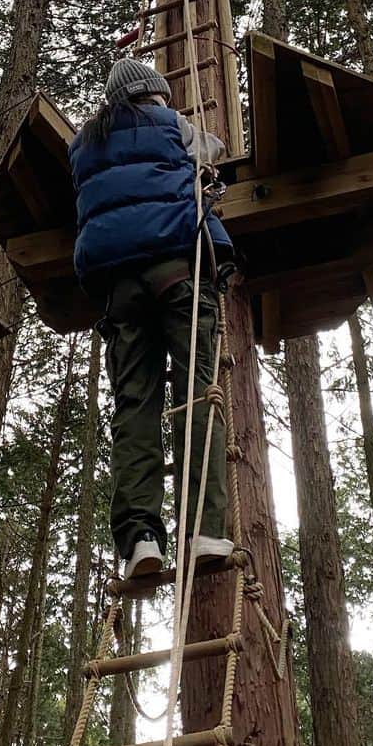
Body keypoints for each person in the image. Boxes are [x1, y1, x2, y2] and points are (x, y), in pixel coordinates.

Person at [68, 57, 236, 579]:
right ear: (153, 94)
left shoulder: (83, 144)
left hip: (119, 290)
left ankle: (140, 538)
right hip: (176, 271)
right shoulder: (170, 125)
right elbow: (214, 153)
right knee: (194, 394)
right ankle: (204, 530)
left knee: (135, 407)